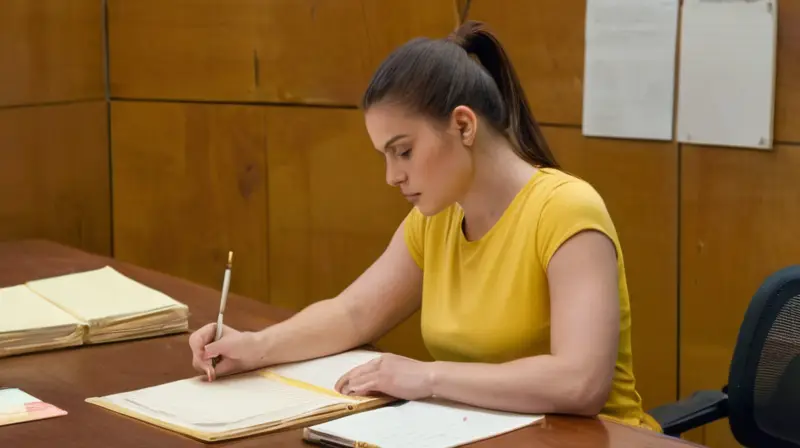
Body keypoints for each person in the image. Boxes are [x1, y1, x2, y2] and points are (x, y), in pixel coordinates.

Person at [189, 20, 660, 432]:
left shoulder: (566, 210)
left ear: (464, 126)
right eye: (386, 156)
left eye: (404, 151)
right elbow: (353, 314)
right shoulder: (435, 219)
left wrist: (428, 377)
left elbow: (580, 382)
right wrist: (254, 347)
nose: (392, 176)